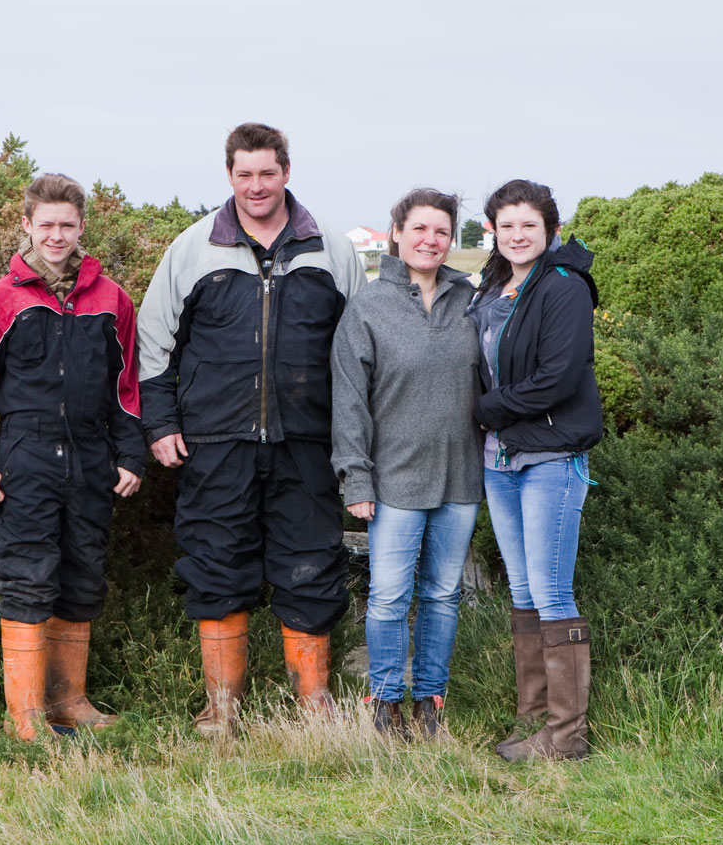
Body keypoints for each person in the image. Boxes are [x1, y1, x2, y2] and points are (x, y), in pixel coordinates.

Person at [137, 122, 365, 737]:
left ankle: (313, 703)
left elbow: (358, 354)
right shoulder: (192, 250)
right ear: (229, 176)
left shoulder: (333, 251)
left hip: (308, 444)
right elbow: (153, 342)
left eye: (268, 172)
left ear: (287, 172)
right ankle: (222, 707)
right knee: (215, 565)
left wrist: (356, 441)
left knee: (313, 563)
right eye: (244, 174)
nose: (256, 185)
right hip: (215, 443)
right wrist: (159, 422)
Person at [0, 174, 146, 740]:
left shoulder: (112, 300)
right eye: (46, 225)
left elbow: (127, 387)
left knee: (83, 575)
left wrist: (131, 455)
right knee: (27, 577)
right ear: (27, 226)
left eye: (67, 224)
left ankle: (70, 702)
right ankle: (26, 719)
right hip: (24, 456)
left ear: (82, 227)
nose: (56, 235)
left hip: (92, 457)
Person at [330, 188, 483, 740]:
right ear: (396, 232)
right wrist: (356, 477)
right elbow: (349, 400)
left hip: (460, 477)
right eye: (419, 229)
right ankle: (386, 704)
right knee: (389, 597)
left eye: (441, 231)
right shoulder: (368, 307)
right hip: (391, 479)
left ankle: (430, 705)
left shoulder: (472, 300)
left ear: (451, 238)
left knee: (442, 596)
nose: (430, 240)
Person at [468, 179, 602, 761]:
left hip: (550, 456)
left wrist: (483, 411)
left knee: (551, 591)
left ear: (548, 228)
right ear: (492, 232)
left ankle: (567, 735)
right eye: (506, 225)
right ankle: (533, 719)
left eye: (528, 224)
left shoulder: (564, 286)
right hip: (499, 460)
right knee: (522, 590)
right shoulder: (492, 286)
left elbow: (559, 376)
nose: (517, 235)